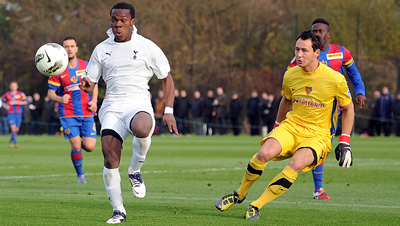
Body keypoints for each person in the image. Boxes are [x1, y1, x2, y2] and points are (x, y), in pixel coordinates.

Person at [215, 30, 355, 220]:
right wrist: (277, 126)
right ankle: (239, 194)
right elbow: (286, 100)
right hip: (291, 126)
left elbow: (348, 108)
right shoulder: (290, 75)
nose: (299, 55)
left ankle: (256, 205)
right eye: (297, 49)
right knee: (264, 153)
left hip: (318, 135)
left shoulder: (335, 79)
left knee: (296, 163)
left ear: (316, 53)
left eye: (304, 51)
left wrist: (344, 141)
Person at [79, 2, 178, 224]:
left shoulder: (147, 46)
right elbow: (90, 81)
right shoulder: (101, 49)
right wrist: (86, 84)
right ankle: (118, 210)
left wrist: (169, 111)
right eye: (115, 20)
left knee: (143, 129)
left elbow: (166, 77)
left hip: (138, 102)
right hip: (112, 106)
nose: (118, 24)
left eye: (123, 20)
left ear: (132, 22)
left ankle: (134, 171)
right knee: (109, 155)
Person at [287, 18, 366, 200]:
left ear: (328, 35)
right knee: (319, 144)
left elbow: (354, 73)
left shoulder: (341, 52)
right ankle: (318, 188)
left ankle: (317, 187)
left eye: (320, 31)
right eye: (314, 31)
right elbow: (290, 77)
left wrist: (360, 91)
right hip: (310, 109)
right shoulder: (304, 54)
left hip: (334, 109)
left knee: (322, 145)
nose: (316, 34)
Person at [48, 36, 98, 184]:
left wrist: (94, 101)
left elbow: (94, 86)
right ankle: (80, 175)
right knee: (76, 145)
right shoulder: (57, 69)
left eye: (71, 46)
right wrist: (59, 98)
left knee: (89, 147)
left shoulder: (86, 65)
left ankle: (77, 144)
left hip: (86, 111)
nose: (69, 49)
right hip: (68, 113)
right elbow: (50, 94)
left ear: (76, 49)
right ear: (62, 50)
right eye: (66, 46)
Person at [1, 81, 29, 147]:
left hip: (19, 113)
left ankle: (11, 140)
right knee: (13, 128)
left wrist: (19, 102)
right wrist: (5, 106)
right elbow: (2, 101)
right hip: (11, 113)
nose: (13, 87)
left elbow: (27, 101)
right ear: (10, 87)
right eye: (12, 86)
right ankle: (16, 143)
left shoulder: (20, 94)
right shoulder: (7, 94)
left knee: (16, 129)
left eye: (14, 86)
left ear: (17, 87)